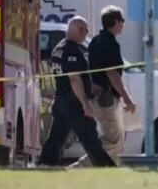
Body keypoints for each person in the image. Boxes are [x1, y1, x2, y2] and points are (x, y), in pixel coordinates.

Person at [37, 17, 117, 168]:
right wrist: (85, 103)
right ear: (80, 30)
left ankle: (45, 167)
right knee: (91, 141)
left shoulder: (59, 48)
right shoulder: (71, 50)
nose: (86, 34)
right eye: (86, 31)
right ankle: (108, 169)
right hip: (74, 103)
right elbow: (74, 79)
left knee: (55, 140)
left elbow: (72, 78)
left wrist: (93, 88)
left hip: (61, 102)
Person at [71, 6, 136, 167]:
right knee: (112, 142)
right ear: (115, 21)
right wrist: (127, 99)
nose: (123, 24)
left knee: (116, 142)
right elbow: (112, 73)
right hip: (106, 98)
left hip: (98, 96)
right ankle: (78, 169)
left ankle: (109, 172)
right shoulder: (110, 43)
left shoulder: (95, 41)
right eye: (122, 20)